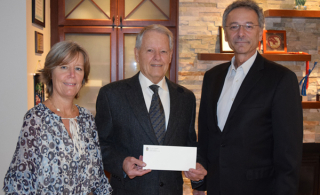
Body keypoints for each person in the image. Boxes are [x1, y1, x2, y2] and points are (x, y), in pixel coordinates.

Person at [194, 0, 303, 195]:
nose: (241, 33)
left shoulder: (281, 79)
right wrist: (200, 185)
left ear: (260, 31)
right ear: (225, 33)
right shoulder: (212, 77)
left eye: (248, 26)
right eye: (234, 27)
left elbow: (288, 153)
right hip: (217, 188)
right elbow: (206, 136)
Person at [95, 24, 207, 195]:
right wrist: (122, 163)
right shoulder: (112, 95)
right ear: (137, 54)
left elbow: (189, 144)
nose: (157, 57)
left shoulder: (186, 98)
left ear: (170, 56)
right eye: (149, 50)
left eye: (163, 51)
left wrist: (197, 169)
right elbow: (99, 145)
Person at [3, 41, 112, 195]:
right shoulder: (36, 119)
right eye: (64, 67)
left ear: (83, 77)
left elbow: (98, 178)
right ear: (50, 73)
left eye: (78, 69)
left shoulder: (86, 119)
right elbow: (19, 183)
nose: (72, 75)